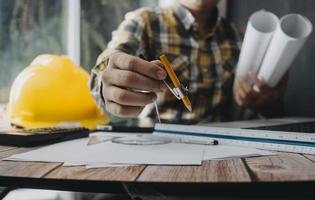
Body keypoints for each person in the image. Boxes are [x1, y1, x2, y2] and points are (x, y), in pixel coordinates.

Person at [88, 0, 287, 199]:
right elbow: (108, 65)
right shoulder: (145, 22)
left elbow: (271, 110)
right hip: (157, 165)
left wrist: (268, 104)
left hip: (221, 167)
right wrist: (108, 84)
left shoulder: (244, 38)